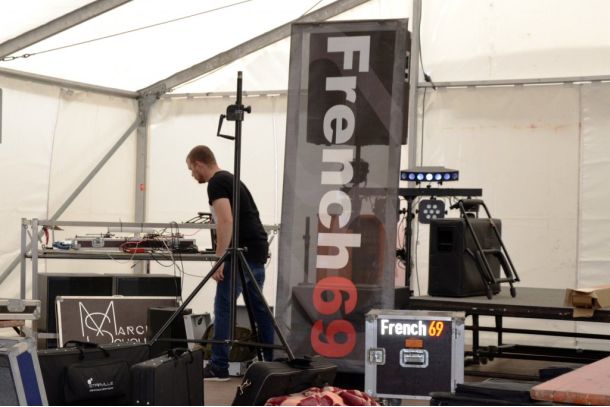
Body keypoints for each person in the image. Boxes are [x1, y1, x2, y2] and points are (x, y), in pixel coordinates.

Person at [186, 145, 274, 381]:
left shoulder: (216, 183)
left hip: (240, 254)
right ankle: (272, 362)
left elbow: (226, 221)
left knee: (224, 308)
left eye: (191, 169)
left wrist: (219, 259)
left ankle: (219, 366)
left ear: (199, 164)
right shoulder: (233, 180)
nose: (192, 175)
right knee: (259, 310)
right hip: (256, 250)